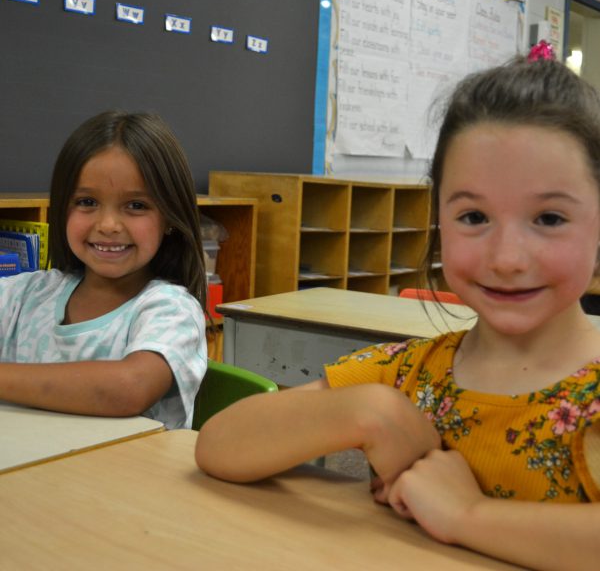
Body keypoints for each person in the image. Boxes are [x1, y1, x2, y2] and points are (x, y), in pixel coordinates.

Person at [195, 54, 600, 569]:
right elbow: (218, 445)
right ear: (439, 219)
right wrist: (368, 413)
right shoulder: (408, 375)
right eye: (473, 216)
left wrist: (466, 515)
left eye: (549, 217)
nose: (507, 259)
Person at [0, 110, 207, 429]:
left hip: (124, 476)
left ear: (169, 218)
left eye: (136, 206)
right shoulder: (26, 295)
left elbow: (129, 388)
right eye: (86, 202)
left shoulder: (171, 311)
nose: (108, 225)